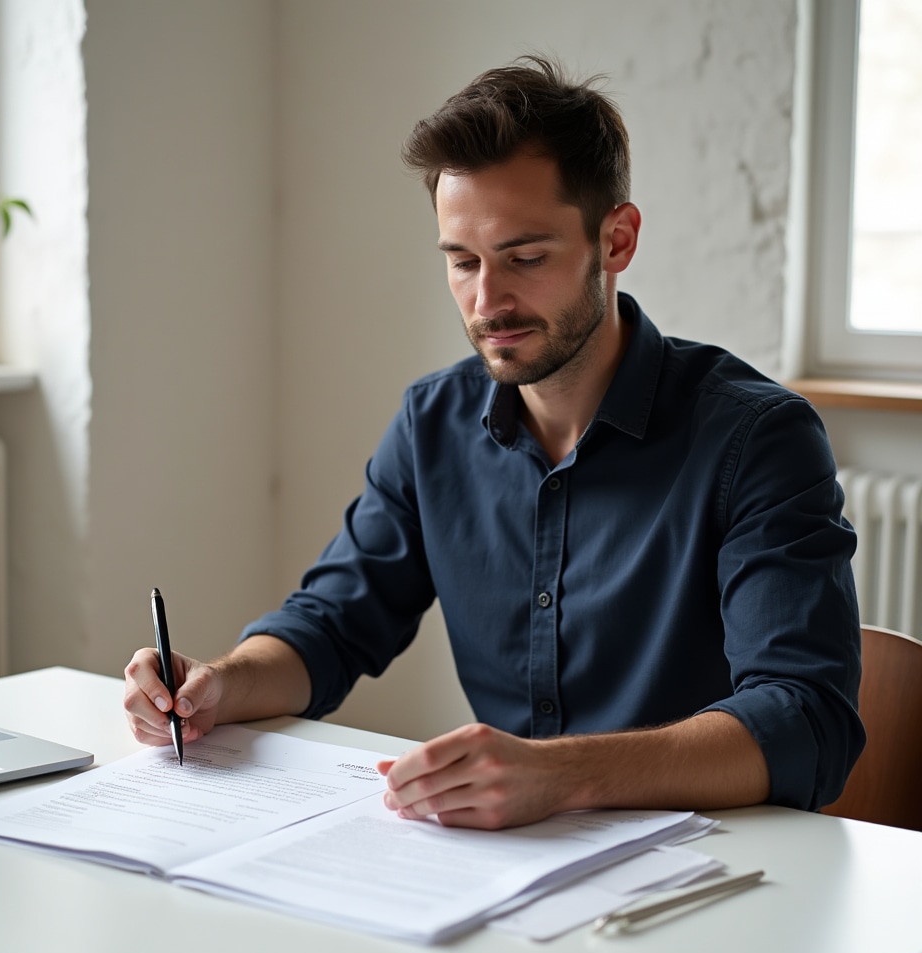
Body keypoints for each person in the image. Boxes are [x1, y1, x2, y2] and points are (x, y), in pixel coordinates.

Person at [124, 56, 864, 830]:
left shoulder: (757, 439)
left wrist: (560, 775)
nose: (488, 301)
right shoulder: (433, 423)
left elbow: (805, 722)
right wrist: (215, 683)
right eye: (462, 261)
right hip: (507, 869)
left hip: (714, 872)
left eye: (526, 258)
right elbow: (333, 625)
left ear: (616, 240)